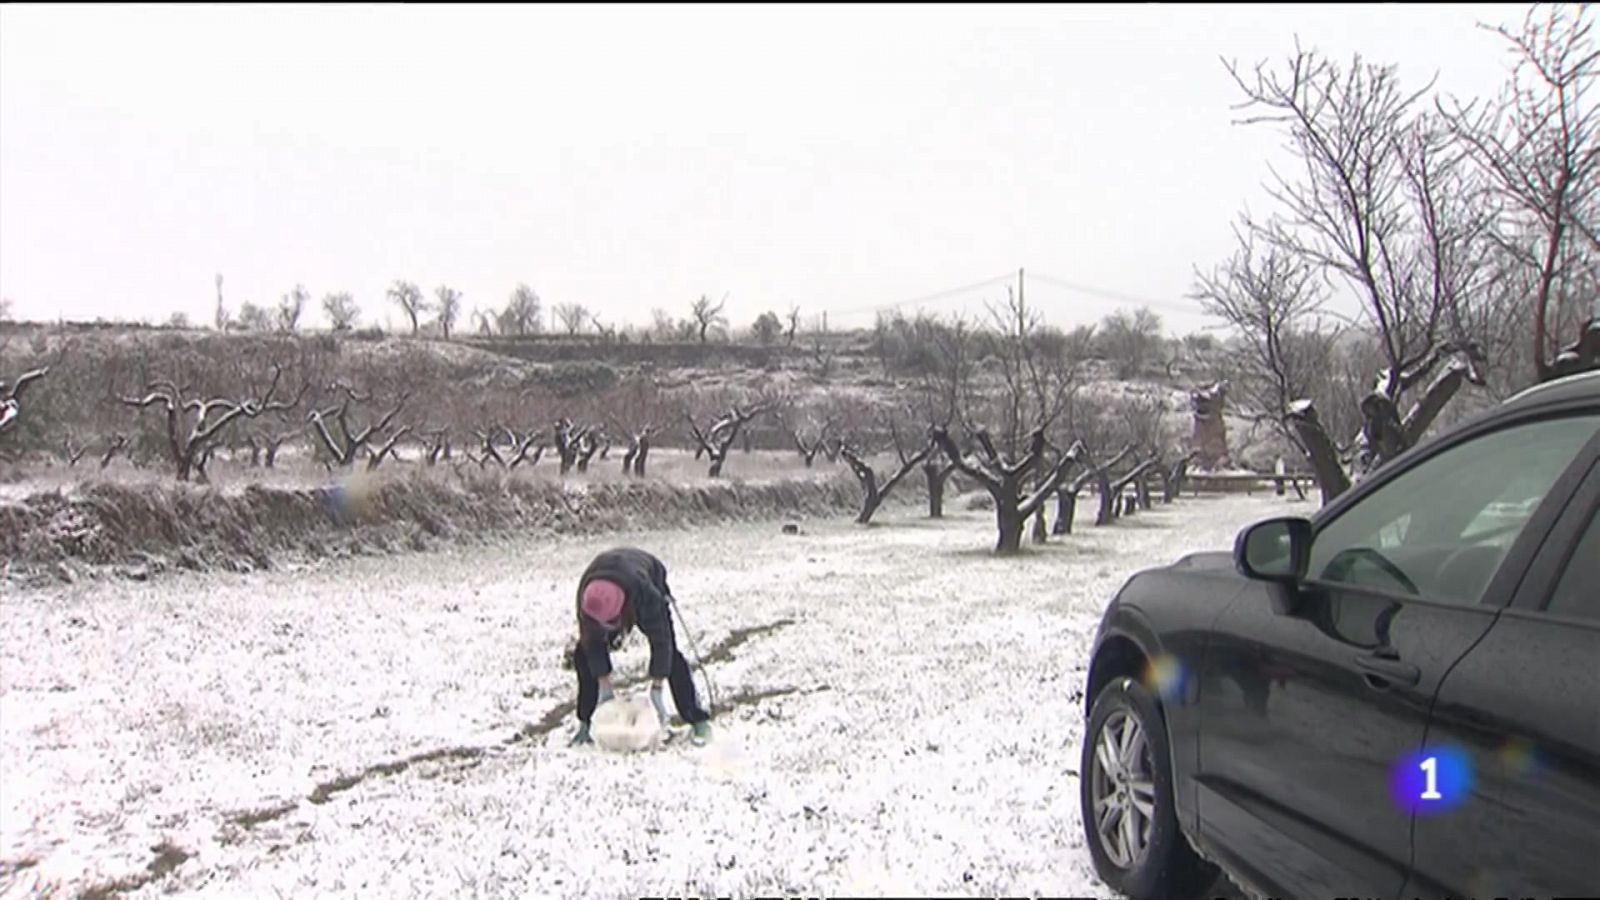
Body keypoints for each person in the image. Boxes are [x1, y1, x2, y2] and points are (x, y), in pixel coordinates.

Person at [569, 546, 713, 747]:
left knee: (671, 656)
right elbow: (591, 642)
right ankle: (586, 722)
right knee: (583, 655)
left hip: (647, 573)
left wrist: (657, 687)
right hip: (608, 575)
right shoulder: (588, 598)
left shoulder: (646, 594)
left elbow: (661, 641)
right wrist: (603, 684)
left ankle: (698, 720)